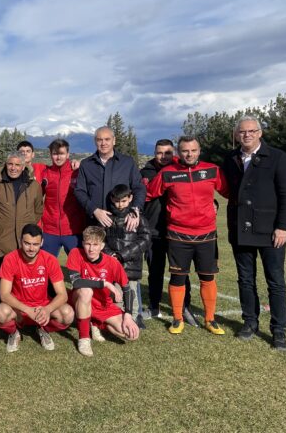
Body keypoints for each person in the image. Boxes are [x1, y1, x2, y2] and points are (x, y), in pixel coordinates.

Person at [222, 116, 286, 351]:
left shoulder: (278, 157)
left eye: (252, 131)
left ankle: (279, 329)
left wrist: (283, 227)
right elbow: (224, 189)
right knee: (245, 279)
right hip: (241, 228)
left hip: (270, 230)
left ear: (260, 133)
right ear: (236, 135)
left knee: (275, 281)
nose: (247, 135)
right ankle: (250, 322)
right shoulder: (230, 159)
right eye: (242, 132)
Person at [146, 136, 229, 336]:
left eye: (193, 150)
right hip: (178, 234)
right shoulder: (168, 173)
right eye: (184, 151)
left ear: (199, 151)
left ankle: (210, 319)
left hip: (206, 234)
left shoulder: (212, 170)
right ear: (178, 153)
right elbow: (148, 193)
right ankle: (177, 319)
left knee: (207, 277)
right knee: (177, 277)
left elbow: (230, 193)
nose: (189, 154)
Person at [140, 140, 195, 324]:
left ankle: (184, 307)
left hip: (178, 230)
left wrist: (214, 203)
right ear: (154, 153)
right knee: (155, 271)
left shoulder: (182, 171)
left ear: (174, 153)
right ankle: (154, 306)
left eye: (168, 153)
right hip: (153, 229)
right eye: (159, 153)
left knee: (180, 272)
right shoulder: (145, 173)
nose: (163, 157)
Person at [0, 224, 74, 352]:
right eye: (27, 243)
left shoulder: (50, 260)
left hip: (42, 306)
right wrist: (27, 310)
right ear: (21, 241)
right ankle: (14, 333)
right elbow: (4, 294)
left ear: (42, 242)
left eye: (35, 244)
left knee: (68, 314)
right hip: (19, 309)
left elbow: (62, 294)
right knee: (0, 313)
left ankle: (43, 329)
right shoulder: (10, 259)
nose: (31, 248)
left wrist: (47, 309)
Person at [67, 226, 140, 357]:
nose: (91, 248)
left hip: (102, 305)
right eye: (88, 244)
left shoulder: (112, 263)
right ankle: (84, 338)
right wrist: (104, 283)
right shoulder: (75, 253)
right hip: (80, 300)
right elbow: (76, 282)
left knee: (131, 334)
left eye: (95, 244)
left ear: (102, 246)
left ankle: (95, 323)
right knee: (86, 291)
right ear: (83, 243)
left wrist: (128, 315)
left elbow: (127, 289)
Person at [0, 153, 43, 276]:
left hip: (25, 242)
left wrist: (28, 224)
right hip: (2, 242)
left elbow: (38, 209)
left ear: (23, 166)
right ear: (6, 165)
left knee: (23, 279)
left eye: (17, 165)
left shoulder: (34, 186)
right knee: (2, 279)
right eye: (10, 164)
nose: (13, 168)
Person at [74, 126, 145, 231]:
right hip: (95, 223)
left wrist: (135, 210)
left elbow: (139, 188)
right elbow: (80, 191)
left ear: (114, 140)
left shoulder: (128, 162)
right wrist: (94, 210)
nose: (103, 143)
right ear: (95, 142)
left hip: (123, 223)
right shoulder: (86, 165)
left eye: (107, 139)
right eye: (99, 140)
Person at [102, 184, 151, 329]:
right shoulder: (107, 218)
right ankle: (119, 322)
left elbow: (145, 239)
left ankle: (134, 321)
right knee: (117, 296)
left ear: (130, 199)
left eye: (123, 201)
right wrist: (111, 255)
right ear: (112, 199)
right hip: (113, 266)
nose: (120, 204)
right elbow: (100, 241)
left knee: (131, 294)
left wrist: (123, 255)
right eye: (117, 201)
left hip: (131, 266)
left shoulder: (138, 218)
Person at [40, 138, 86, 257]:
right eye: (55, 154)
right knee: (47, 269)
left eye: (61, 154)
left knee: (77, 270)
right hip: (49, 230)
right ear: (50, 155)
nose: (58, 157)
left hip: (73, 229)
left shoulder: (77, 171)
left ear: (68, 154)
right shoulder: (45, 173)